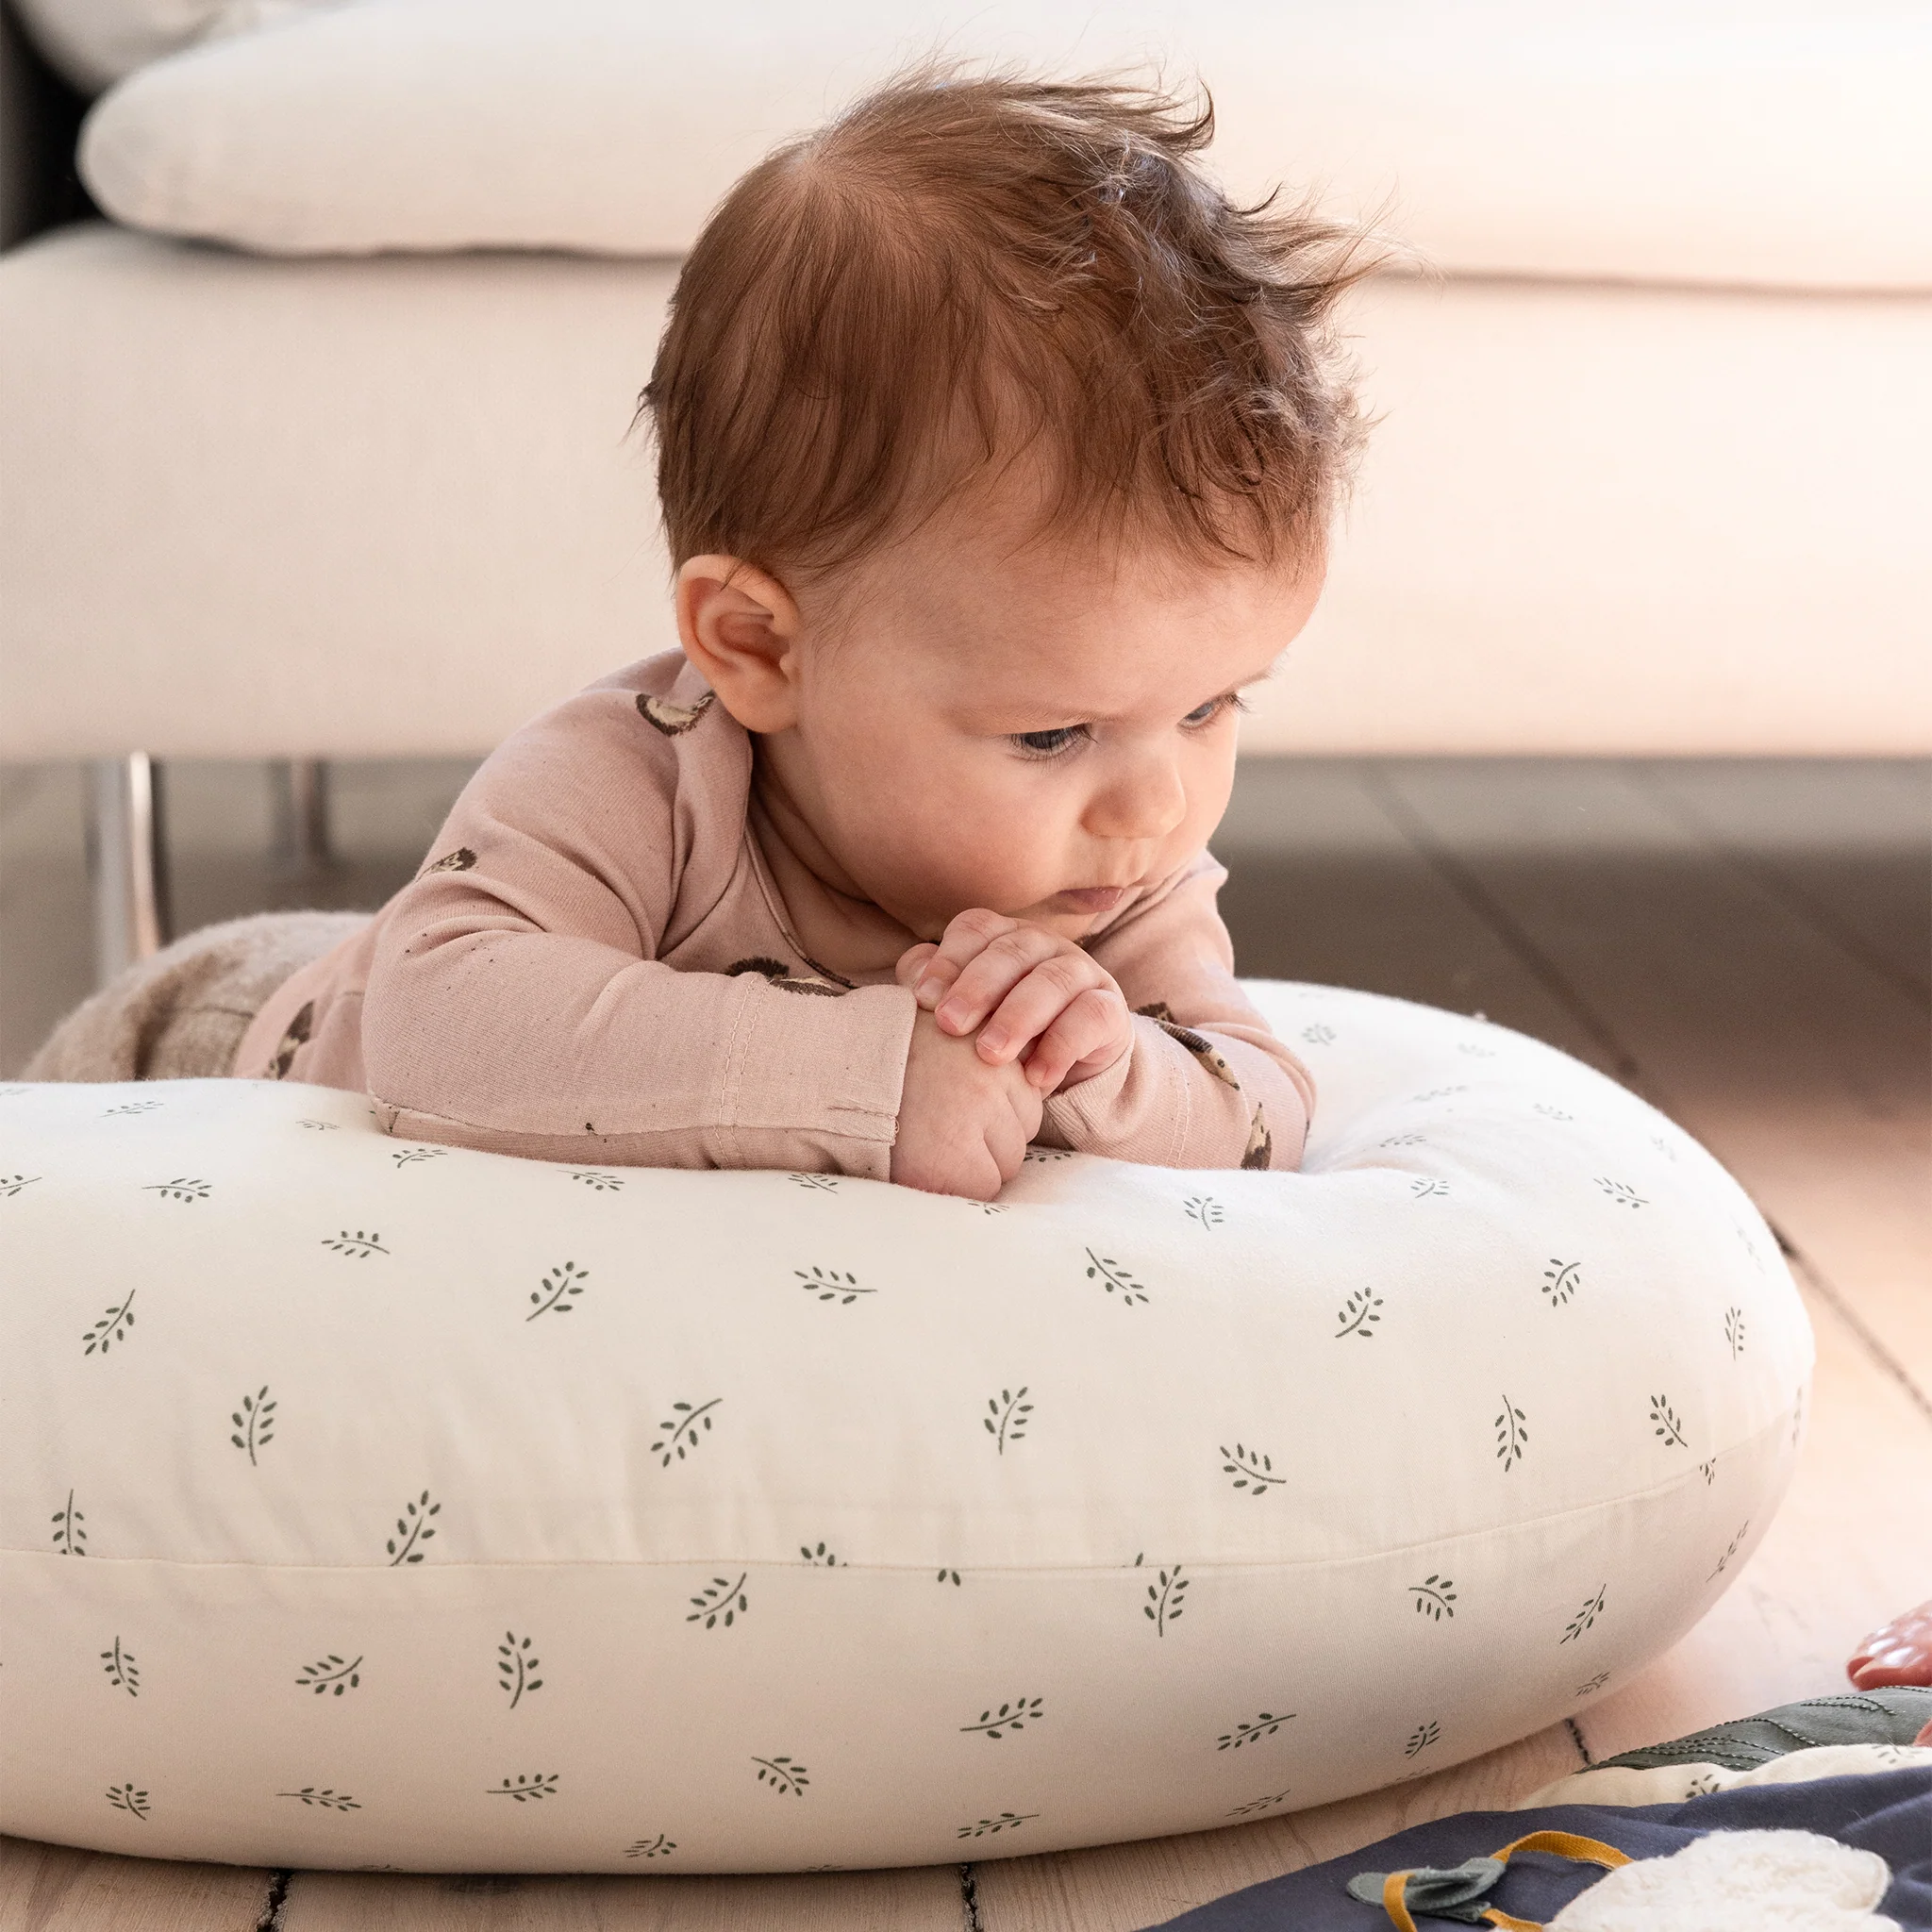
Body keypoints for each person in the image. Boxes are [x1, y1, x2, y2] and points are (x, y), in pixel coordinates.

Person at [30, 71, 1383, 1201]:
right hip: (220, 1032)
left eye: (1213, 708)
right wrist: (875, 1076)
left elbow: (1257, 1104)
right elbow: (436, 1020)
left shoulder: (1104, 876)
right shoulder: (635, 772)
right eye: (1051, 734)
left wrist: (1110, 1070)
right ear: (755, 647)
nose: (1159, 805)